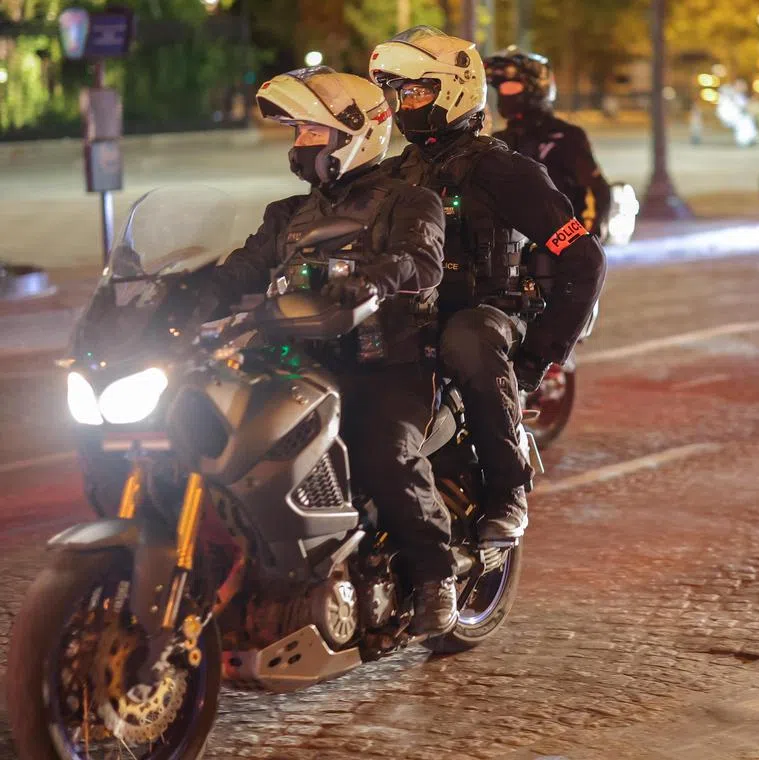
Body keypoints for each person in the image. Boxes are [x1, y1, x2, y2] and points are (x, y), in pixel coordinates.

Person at [204, 67, 459, 635]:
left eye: (310, 134)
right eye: (296, 135)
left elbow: (421, 261)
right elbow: (242, 270)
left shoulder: (412, 201)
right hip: (297, 362)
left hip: (385, 362)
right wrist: (185, 294)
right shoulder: (287, 215)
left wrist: (375, 277)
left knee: (384, 453)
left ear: (354, 135)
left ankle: (436, 575)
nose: (299, 148)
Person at [368, 27, 607, 545]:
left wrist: (537, 360)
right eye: (401, 93)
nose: (406, 103)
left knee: (468, 337)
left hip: (487, 314)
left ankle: (507, 490)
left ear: (453, 89)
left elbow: (584, 259)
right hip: (412, 317)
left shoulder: (505, 171)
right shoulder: (392, 174)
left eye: (418, 91)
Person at [484, 47, 613, 239]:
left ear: (536, 88)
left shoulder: (565, 136)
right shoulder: (499, 140)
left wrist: (580, 241)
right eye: (500, 89)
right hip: (511, 252)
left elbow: (595, 192)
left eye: (511, 87)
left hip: (557, 249)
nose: (504, 95)